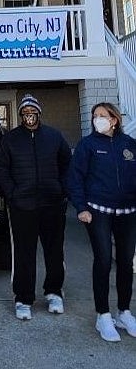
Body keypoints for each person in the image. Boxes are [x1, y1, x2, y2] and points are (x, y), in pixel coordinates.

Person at [0, 94, 71, 321]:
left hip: (52, 204)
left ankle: (54, 292)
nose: (29, 116)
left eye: (32, 111)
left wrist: (62, 190)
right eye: (25, 112)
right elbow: (1, 168)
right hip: (22, 206)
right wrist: (12, 194)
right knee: (23, 253)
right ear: (20, 115)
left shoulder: (55, 137)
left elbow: (67, 165)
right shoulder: (10, 139)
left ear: (39, 113)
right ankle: (23, 298)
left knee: (54, 251)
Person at [68, 102, 136, 342]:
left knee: (126, 262)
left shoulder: (129, 145)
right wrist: (81, 207)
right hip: (98, 212)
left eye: (103, 116)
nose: (98, 119)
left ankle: (124, 312)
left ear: (114, 120)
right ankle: (103, 315)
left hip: (128, 212)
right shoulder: (88, 146)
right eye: (95, 116)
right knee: (104, 260)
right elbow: (75, 178)